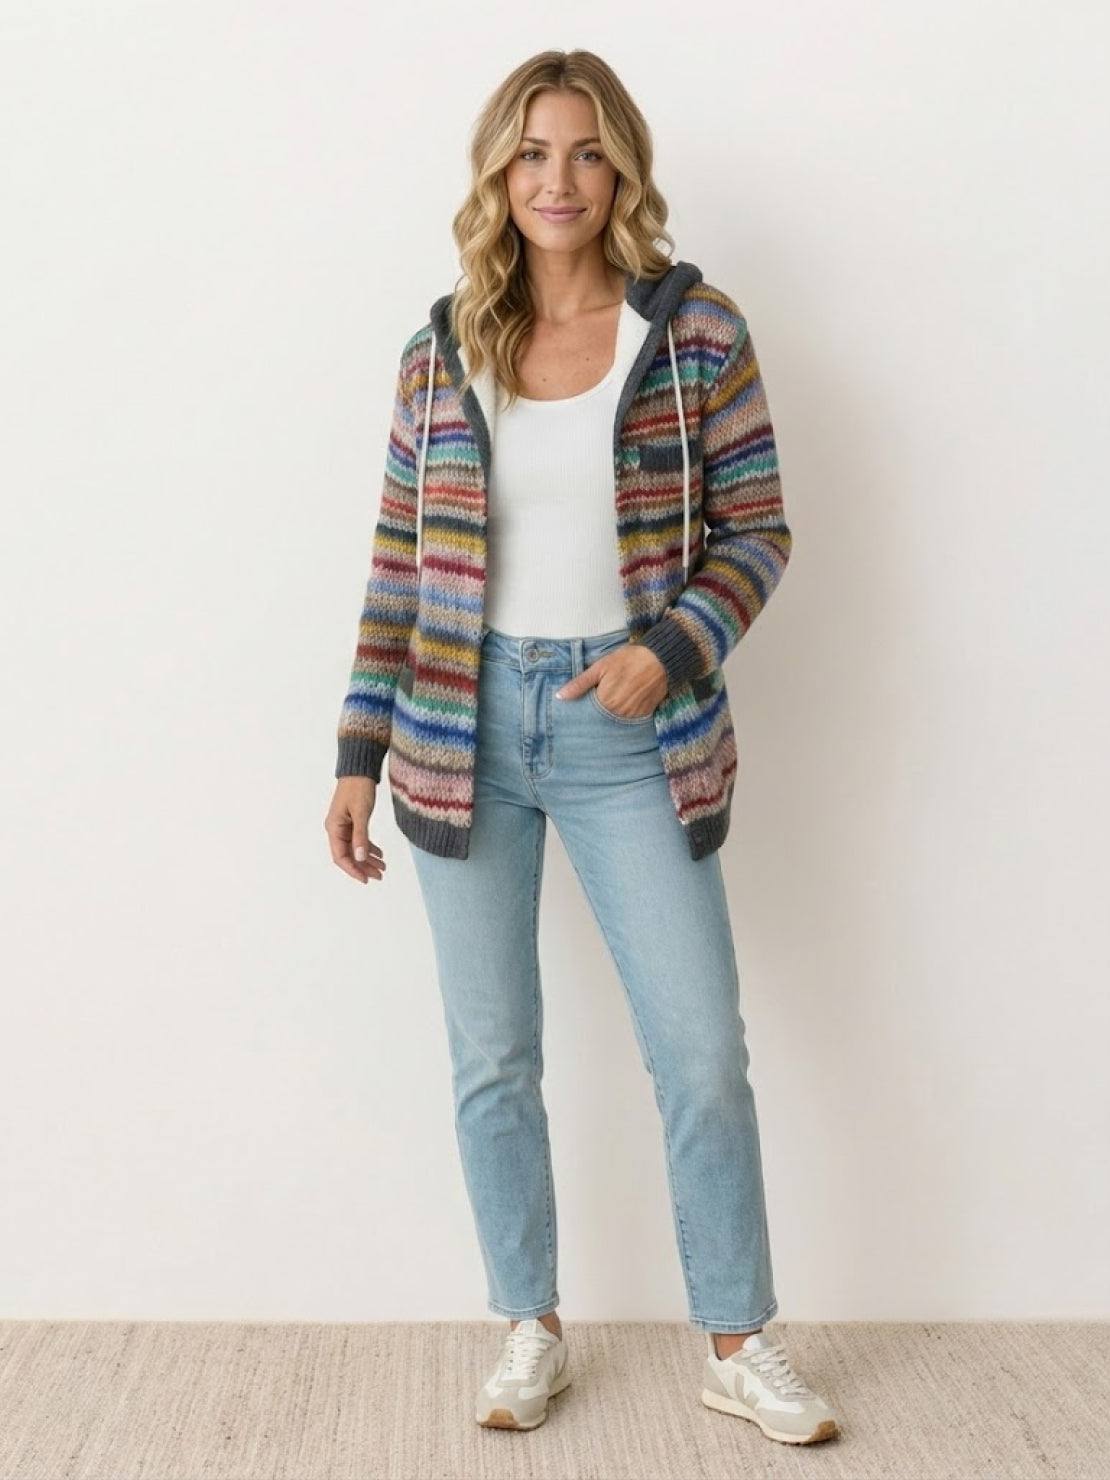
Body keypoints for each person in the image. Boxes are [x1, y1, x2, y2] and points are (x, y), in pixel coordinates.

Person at [324, 48, 841, 1446]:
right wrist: (358, 751)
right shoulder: (442, 349)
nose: (559, 179)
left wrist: (669, 647)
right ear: (499, 172)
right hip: (459, 727)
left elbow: (758, 529)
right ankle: (528, 1326)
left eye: (589, 151)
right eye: (534, 152)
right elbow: (398, 571)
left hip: (633, 732)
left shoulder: (694, 333)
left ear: (623, 171)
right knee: (493, 1055)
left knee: (701, 1052)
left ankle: (736, 1342)